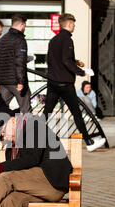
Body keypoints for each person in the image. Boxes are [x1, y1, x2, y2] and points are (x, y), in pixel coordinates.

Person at [44, 13, 106, 152]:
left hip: (53, 83)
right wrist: (82, 72)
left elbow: (55, 59)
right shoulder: (67, 40)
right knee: (77, 114)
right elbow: (66, 61)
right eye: (73, 24)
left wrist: (75, 62)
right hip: (65, 84)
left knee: (46, 113)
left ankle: (31, 138)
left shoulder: (53, 40)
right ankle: (89, 142)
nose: (74, 26)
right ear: (69, 24)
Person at [0, 14, 31, 113]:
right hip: (15, 81)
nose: (25, 28)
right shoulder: (20, 39)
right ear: (22, 24)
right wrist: (21, 81)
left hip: (3, 81)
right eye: (25, 26)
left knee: (0, 109)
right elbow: (20, 61)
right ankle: (28, 129)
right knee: (26, 109)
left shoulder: (3, 39)